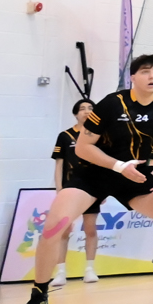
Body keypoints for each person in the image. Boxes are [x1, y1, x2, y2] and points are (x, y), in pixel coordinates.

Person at [16, 55, 153, 304]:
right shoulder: (111, 104)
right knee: (53, 226)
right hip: (94, 173)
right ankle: (38, 296)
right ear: (133, 77)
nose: (152, 76)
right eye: (145, 71)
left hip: (135, 175)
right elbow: (83, 147)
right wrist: (118, 166)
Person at [49, 100, 100, 286]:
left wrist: (102, 190)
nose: (86, 111)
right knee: (64, 230)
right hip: (70, 189)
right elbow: (59, 165)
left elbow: (103, 164)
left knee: (90, 229)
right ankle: (60, 272)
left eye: (90, 108)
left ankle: (90, 269)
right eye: (82, 109)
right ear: (76, 114)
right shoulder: (65, 136)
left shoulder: (99, 136)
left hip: (92, 189)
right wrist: (59, 189)